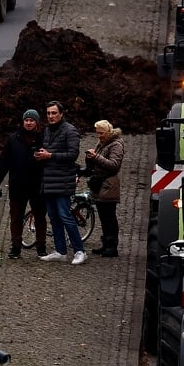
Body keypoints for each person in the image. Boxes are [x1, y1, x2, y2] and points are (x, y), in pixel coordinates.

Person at [36, 100, 88, 265]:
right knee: (53, 217)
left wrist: (50, 156)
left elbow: (72, 155)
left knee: (65, 216)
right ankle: (60, 250)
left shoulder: (70, 131)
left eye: (54, 113)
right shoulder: (46, 131)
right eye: (49, 113)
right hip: (49, 181)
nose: (51, 116)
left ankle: (80, 251)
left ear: (61, 114)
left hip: (63, 181)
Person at [0, 109, 47, 259]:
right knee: (16, 218)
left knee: (40, 217)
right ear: (23, 122)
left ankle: (41, 246)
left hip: (38, 185)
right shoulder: (13, 139)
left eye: (32, 120)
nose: (29, 123)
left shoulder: (43, 138)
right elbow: (4, 163)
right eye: (26, 120)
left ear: (37, 122)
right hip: (17, 185)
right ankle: (16, 247)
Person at [85, 119, 125, 257]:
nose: (99, 136)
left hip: (109, 185)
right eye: (97, 133)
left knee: (109, 216)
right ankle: (106, 244)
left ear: (108, 132)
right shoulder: (102, 142)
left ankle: (112, 245)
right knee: (103, 216)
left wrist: (96, 157)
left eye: (101, 133)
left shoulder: (116, 145)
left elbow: (114, 164)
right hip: (101, 184)